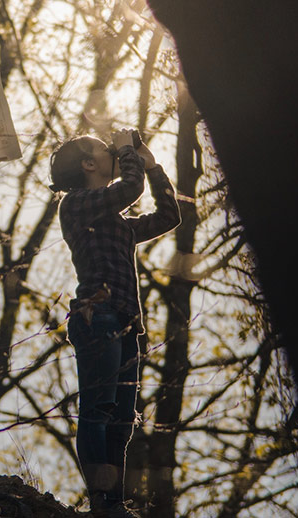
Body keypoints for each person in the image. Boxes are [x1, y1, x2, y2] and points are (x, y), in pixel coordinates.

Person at [49, 129, 180, 517]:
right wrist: (126, 149)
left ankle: (113, 504)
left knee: (122, 420)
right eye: (103, 150)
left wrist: (152, 164)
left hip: (125, 323)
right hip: (97, 317)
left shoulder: (117, 222)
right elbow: (130, 189)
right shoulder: (76, 204)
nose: (112, 152)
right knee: (98, 409)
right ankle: (101, 503)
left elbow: (170, 216)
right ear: (88, 164)